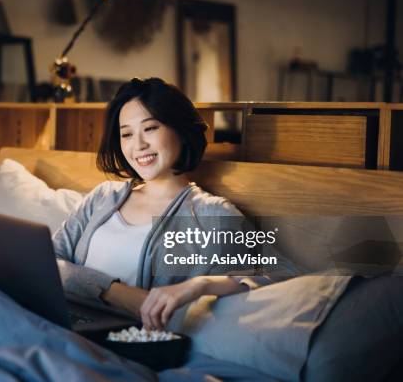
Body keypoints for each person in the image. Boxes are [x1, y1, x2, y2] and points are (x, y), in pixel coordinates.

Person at [52, 77, 268, 331]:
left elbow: (270, 275)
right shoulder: (103, 197)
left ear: (180, 129)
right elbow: (49, 261)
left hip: (122, 343)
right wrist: (114, 291)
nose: (138, 145)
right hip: (58, 318)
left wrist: (199, 285)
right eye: (127, 134)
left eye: (150, 128)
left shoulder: (210, 214)